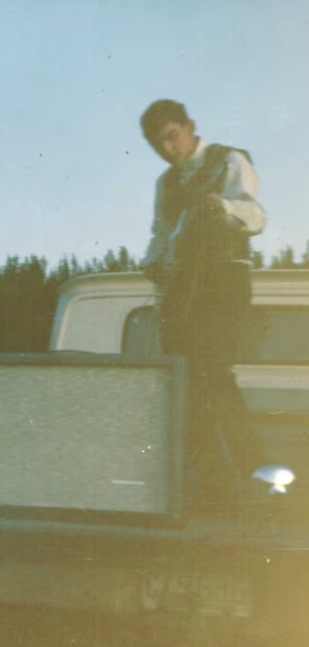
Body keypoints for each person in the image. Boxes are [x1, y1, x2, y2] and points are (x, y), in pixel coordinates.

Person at [140, 99, 268, 495]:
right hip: (183, 288)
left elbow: (256, 216)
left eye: (172, 137)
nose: (167, 149)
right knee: (183, 383)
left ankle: (263, 480)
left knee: (213, 377)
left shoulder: (227, 161)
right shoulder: (167, 183)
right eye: (156, 143)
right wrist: (153, 262)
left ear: (190, 127)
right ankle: (214, 488)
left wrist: (224, 206)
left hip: (223, 281)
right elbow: (161, 233)